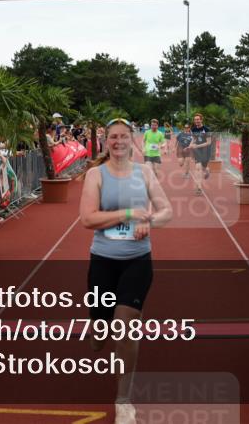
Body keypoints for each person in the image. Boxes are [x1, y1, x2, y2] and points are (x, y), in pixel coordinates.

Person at [78, 118, 173, 424]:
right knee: (100, 334)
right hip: (103, 261)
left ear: (133, 140)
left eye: (124, 136)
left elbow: (166, 210)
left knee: (125, 329)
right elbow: (88, 219)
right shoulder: (96, 174)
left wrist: (150, 222)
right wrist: (130, 213)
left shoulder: (144, 172)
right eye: (113, 137)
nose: (118, 141)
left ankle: (123, 401)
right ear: (106, 141)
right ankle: (96, 329)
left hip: (137, 260)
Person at [188, 113, 213, 186]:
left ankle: (207, 170)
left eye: (198, 119)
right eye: (195, 119)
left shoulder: (207, 129)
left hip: (206, 151)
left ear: (201, 120)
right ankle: (199, 186)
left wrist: (197, 146)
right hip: (197, 151)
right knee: (198, 168)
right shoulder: (193, 129)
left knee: (204, 167)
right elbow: (193, 139)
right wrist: (189, 146)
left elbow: (209, 142)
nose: (196, 121)